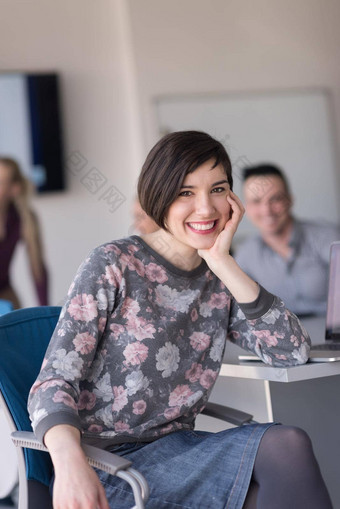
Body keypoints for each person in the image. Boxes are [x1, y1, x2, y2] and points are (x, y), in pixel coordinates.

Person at [28, 132, 332, 509]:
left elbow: (291, 352)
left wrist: (222, 263)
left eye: (217, 189)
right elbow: (53, 382)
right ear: (160, 197)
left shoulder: (218, 276)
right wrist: (70, 463)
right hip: (106, 464)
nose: (205, 208)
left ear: (232, 199)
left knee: (288, 445)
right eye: (185, 193)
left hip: (180, 451)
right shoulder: (113, 263)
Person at [235, 164, 340, 317]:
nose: (267, 210)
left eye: (275, 199)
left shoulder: (328, 237)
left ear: (289, 200)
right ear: (247, 208)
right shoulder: (245, 255)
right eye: (257, 201)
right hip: (283, 338)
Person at [0, 157, 48, 308]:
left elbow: (37, 269)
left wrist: (45, 312)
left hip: (5, 295)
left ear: (15, 189)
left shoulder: (22, 219)